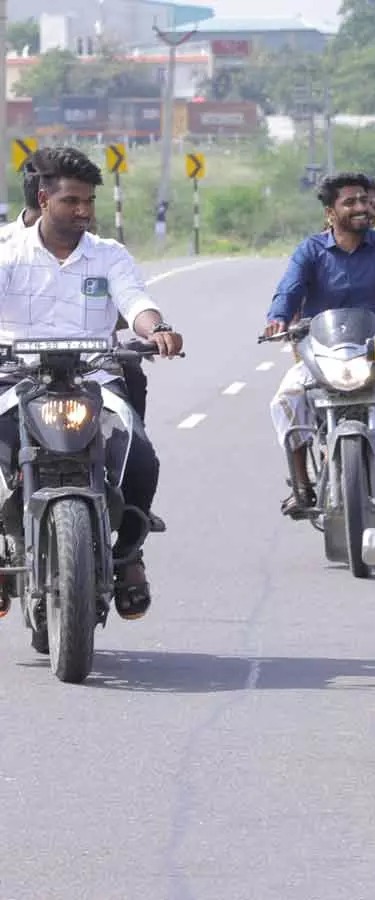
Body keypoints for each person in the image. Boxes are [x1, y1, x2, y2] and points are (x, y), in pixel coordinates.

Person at [0, 147, 184, 620]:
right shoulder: (7, 251)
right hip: (17, 381)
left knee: (142, 460)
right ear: (43, 199)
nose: (83, 211)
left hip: (93, 379)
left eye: (88, 202)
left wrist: (155, 328)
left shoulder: (109, 255)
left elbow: (135, 299)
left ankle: (128, 556)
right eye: (71, 202)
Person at [264, 172, 375, 516]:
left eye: (364, 200)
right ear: (330, 213)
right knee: (286, 399)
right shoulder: (310, 250)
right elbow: (289, 289)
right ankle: (301, 485)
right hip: (325, 352)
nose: (362, 208)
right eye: (350, 202)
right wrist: (278, 316)